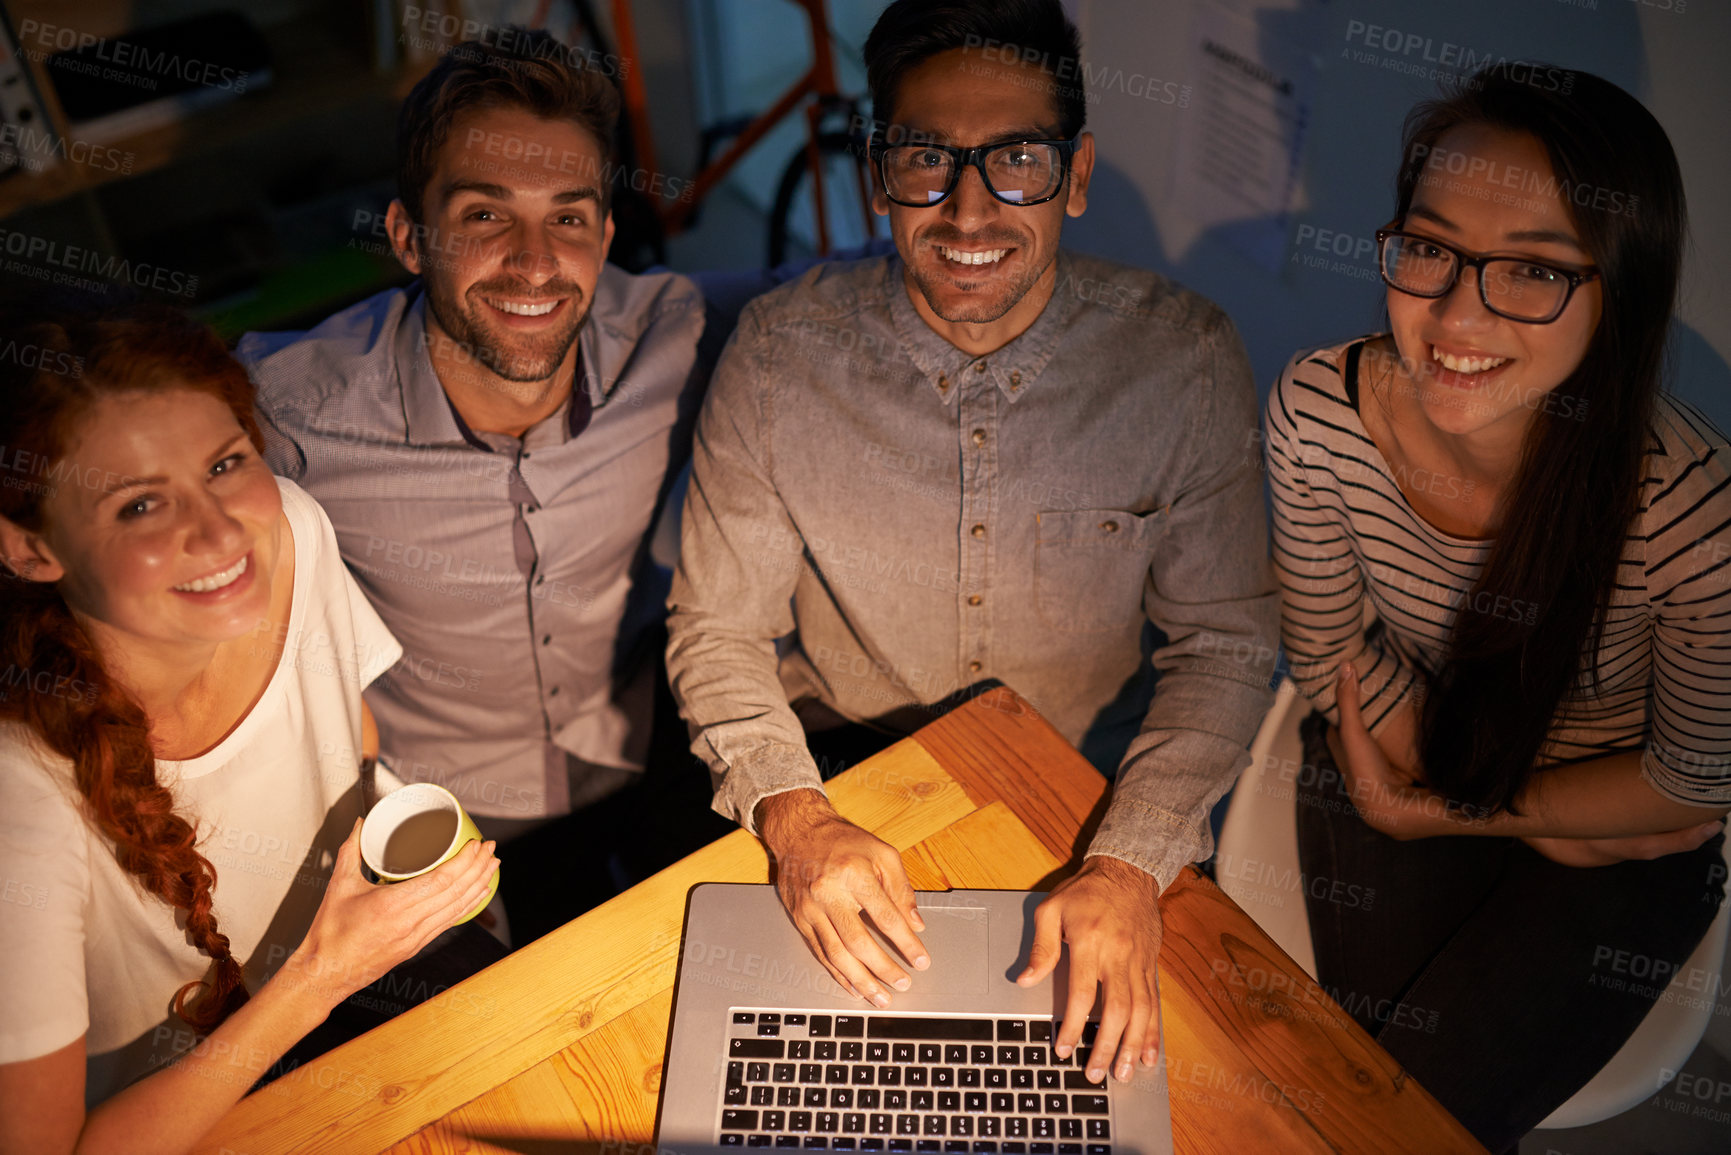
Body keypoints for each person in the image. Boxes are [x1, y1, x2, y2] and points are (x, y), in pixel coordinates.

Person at [666, 0, 1279, 1088]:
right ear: (875, 172)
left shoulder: (1183, 359)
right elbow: (717, 628)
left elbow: (1226, 649)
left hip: (1100, 809)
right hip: (842, 790)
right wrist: (798, 818)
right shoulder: (776, 358)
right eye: (926, 161)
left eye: (1018, 161)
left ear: (1077, 176)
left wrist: (1132, 862)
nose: (967, 210)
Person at [1264, 62, 1730, 1150]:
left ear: (1620, 290)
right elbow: (1331, 649)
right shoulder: (1317, 410)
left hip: (1596, 827)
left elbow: (1689, 788)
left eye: (1531, 271)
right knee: (1366, 1096)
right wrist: (1459, 779)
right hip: (1420, 741)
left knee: (1392, 1115)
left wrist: (1451, 810)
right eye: (1430, 250)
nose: (1457, 312)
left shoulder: (1695, 520)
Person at [238, 30, 721, 942]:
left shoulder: (679, 330)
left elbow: (849, 300)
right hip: (431, 826)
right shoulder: (285, 406)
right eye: (485, 217)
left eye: (569, 217)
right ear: (408, 237)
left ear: (607, 235)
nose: (536, 261)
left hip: (644, 756)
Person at [0, 299, 501, 1153]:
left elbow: (351, 732)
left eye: (225, 464)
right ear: (29, 549)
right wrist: (319, 975)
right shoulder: (19, 787)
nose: (221, 530)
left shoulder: (289, 532)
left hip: (357, 990)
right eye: (138, 507)